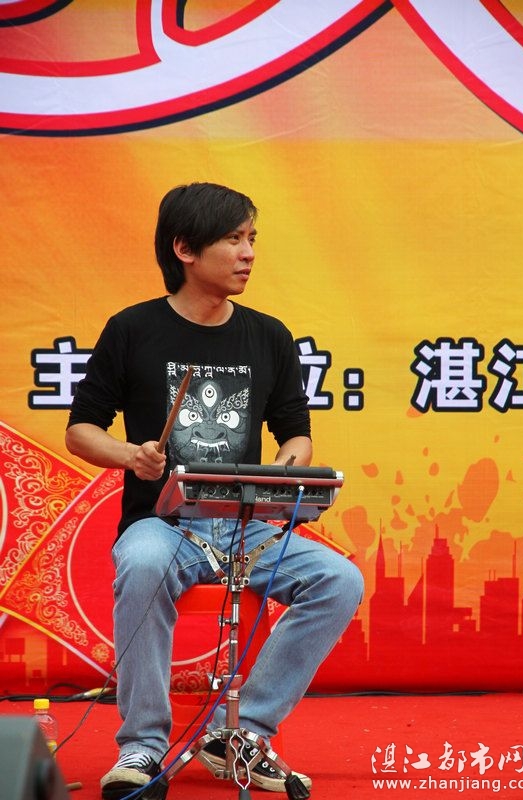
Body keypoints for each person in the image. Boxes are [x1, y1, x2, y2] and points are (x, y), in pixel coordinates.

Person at [66, 182, 364, 799]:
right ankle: (143, 745)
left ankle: (242, 734)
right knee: (143, 562)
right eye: (233, 239)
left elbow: (296, 433)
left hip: (246, 526)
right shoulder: (132, 329)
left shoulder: (268, 335)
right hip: (163, 524)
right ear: (185, 249)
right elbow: (80, 430)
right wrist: (131, 455)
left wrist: (284, 473)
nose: (248, 253)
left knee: (340, 580)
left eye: (251, 238)